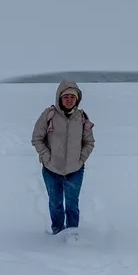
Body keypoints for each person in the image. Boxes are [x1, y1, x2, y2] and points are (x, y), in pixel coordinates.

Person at [31, 78, 95, 237]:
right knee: (56, 204)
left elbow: (89, 142)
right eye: (66, 97)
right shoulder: (49, 115)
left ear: (77, 99)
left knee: (72, 205)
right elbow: (37, 138)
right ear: (59, 97)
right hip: (51, 169)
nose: (69, 100)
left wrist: (80, 159)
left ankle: (72, 235)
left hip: (75, 170)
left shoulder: (82, 118)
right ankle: (57, 233)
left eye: (72, 97)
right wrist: (47, 157)